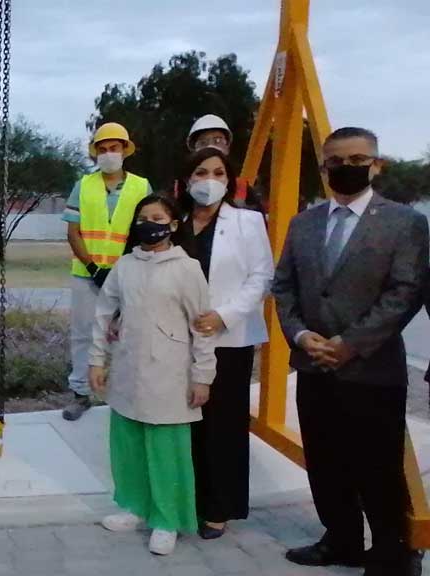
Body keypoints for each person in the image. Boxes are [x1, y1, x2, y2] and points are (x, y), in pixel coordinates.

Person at [271, 127, 429, 576]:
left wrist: (349, 344)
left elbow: (405, 291)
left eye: (358, 158)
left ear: (376, 164)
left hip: (373, 370)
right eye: (336, 161)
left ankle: (390, 553)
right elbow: (283, 287)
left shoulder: (405, 223)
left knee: (377, 468)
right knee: (325, 463)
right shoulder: (303, 224)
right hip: (313, 365)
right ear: (323, 169)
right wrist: (301, 336)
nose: (347, 167)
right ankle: (340, 540)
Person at [89, 194, 215, 556]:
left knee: (165, 449)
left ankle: (166, 519)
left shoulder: (187, 268)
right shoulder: (125, 265)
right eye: (143, 217)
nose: (149, 223)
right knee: (127, 442)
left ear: (173, 225)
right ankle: (133, 505)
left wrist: (203, 376)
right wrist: (97, 361)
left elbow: (203, 326)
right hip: (128, 368)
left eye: (157, 217)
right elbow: (103, 314)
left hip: (170, 373)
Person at [175, 148, 274, 539]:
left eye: (218, 172)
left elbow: (261, 277)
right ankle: (187, 499)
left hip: (228, 339)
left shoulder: (248, 222)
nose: (209, 179)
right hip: (178, 339)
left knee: (223, 424)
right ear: (187, 179)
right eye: (201, 172)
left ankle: (219, 506)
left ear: (230, 180)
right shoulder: (177, 221)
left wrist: (224, 316)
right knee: (186, 422)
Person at [61, 121, 152, 421]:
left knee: (126, 334)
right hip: (87, 274)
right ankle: (80, 394)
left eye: (114, 148)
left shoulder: (141, 187)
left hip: (127, 274)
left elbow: (144, 230)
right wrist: (93, 267)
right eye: (102, 149)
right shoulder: (83, 185)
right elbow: (73, 232)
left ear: (125, 150)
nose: (108, 154)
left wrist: (120, 269)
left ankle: (124, 395)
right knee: (83, 334)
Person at [178, 114, 265, 212]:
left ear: (227, 147)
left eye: (218, 140)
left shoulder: (242, 188)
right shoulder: (180, 189)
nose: (211, 146)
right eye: (203, 142)